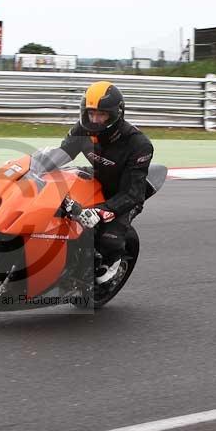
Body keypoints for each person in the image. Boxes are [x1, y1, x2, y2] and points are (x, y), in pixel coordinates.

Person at [58, 81, 155, 284]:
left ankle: (114, 262)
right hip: (98, 177)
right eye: (91, 113)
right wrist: (34, 167)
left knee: (107, 239)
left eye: (101, 114)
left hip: (124, 193)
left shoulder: (138, 144)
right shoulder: (83, 129)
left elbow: (133, 193)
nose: (94, 120)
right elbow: (61, 154)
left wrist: (102, 211)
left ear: (115, 115)